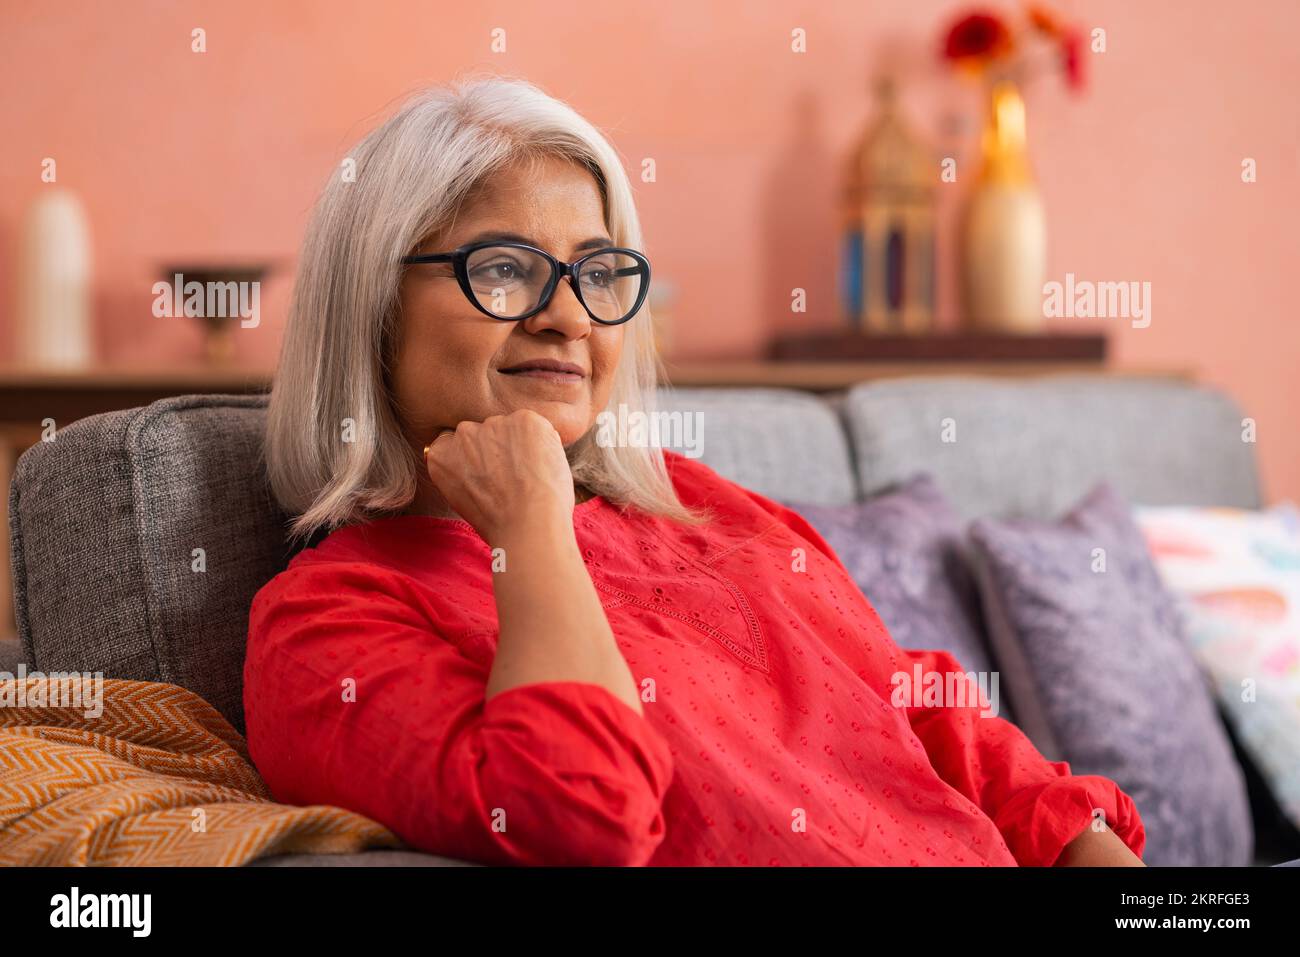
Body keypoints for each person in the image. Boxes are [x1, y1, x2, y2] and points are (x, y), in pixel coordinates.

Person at [243, 74, 1146, 867]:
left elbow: (916, 701)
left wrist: (1094, 852)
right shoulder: (324, 625)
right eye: (507, 268)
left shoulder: (695, 502)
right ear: (372, 303)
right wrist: (529, 529)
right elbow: (582, 813)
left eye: (598, 273)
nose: (570, 317)